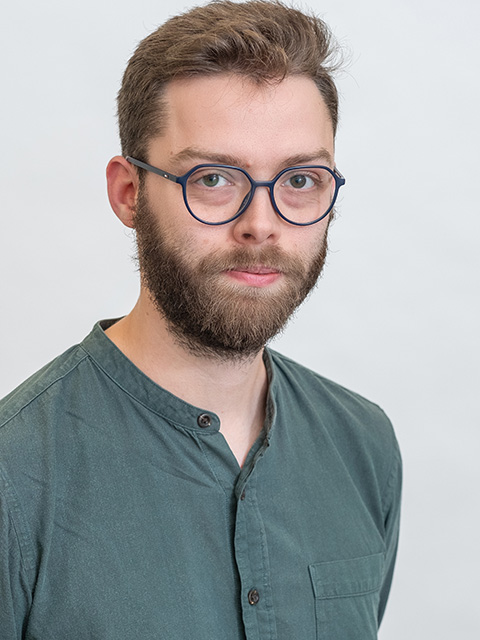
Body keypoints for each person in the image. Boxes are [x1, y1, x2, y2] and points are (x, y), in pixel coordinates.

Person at [0, 1, 401, 638]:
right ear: (129, 192)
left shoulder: (363, 444)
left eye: (300, 178)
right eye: (213, 178)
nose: (261, 225)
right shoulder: (15, 474)